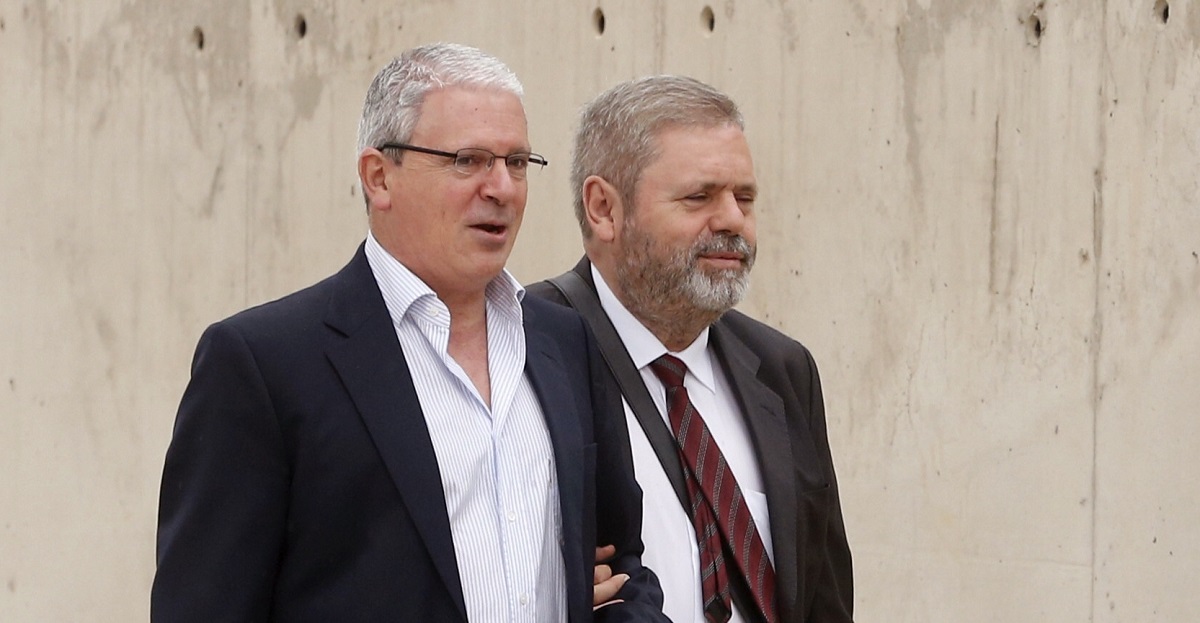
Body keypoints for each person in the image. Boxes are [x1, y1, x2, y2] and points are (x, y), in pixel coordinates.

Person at [151, 43, 667, 623]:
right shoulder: (263, 364)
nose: (501, 187)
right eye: (467, 160)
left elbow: (623, 561)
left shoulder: (565, 341)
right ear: (379, 178)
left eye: (517, 162)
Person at [529, 76, 854, 622]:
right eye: (698, 197)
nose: (731, 220)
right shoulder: (523, 352)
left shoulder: (781, 369)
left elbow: (823, 595)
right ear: (604, 209)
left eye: (743, 198)